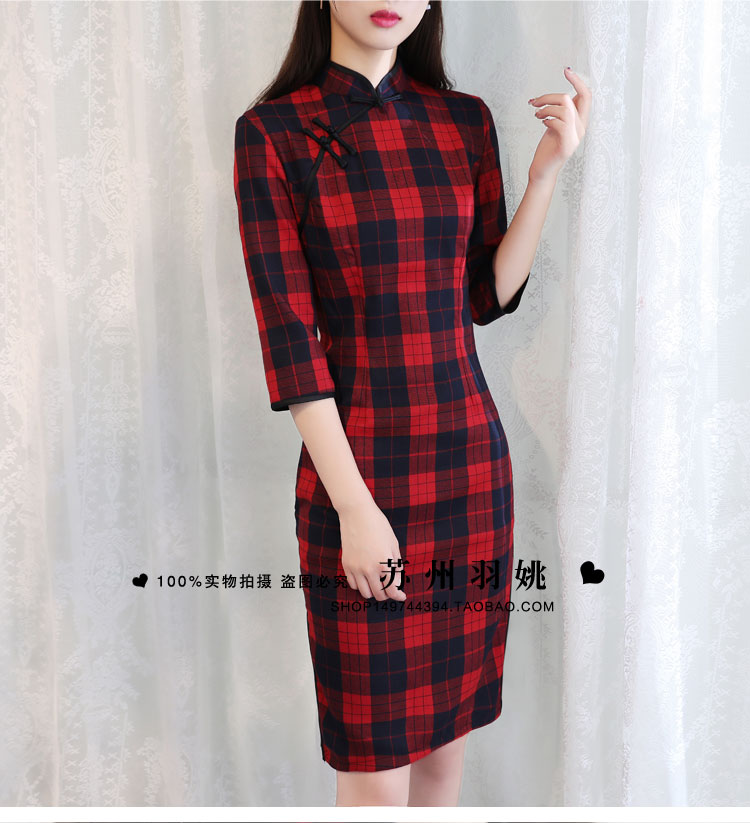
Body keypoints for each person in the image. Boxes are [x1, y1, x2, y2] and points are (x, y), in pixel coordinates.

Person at [233, 0, 590, 807]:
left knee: (441, 761)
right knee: (373, 776)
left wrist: (546, 171)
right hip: (357, 480)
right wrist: (355, 509)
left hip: (468, 477)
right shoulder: (273, 134)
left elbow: (486, 294)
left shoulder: (462, 121)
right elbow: (291, 346)